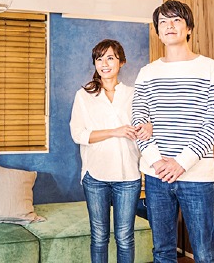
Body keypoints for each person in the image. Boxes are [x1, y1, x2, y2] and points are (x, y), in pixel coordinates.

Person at [132, 0, 214, 263]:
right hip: (156, 176)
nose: (169, 26)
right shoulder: (147, 72)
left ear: (189, 28)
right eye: (163, 22)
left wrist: (181, 162)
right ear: (158, 31)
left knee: (206, 254)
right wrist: (157, 162)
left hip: (198, 175)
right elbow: (139, 120)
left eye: (176, 20)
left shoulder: (211, 68)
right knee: (162, 252)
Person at [70, 39, 152, 263]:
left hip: (128, 176)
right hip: (95, 176)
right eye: (99, 59)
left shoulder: (134, 95)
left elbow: (147, 127)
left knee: (125, 238)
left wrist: (148, 127)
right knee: (99, 237)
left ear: (121, 62)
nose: (104, 64)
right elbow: (78, 135)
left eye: (110, 58)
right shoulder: (84, 95)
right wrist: (115, 131)